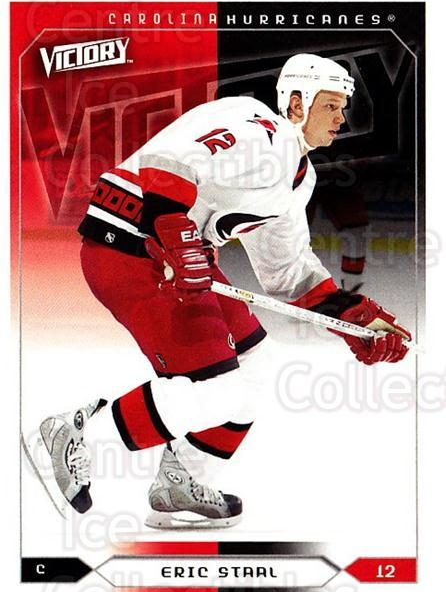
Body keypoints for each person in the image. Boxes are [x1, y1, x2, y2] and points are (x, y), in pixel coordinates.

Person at [37, 54, 411, 529]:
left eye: (343, 108)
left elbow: (289, 272)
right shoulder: (253, 126)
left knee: (256, 368)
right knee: (217, 389)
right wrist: (175, 237)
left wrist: (356, 321)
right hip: (129, 247)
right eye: (331, 106)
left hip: (181, 261)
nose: (341, 118)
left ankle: (180, 481)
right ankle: (77, 435)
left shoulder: (298, 178)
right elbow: (168, 161)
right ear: (297, 103)